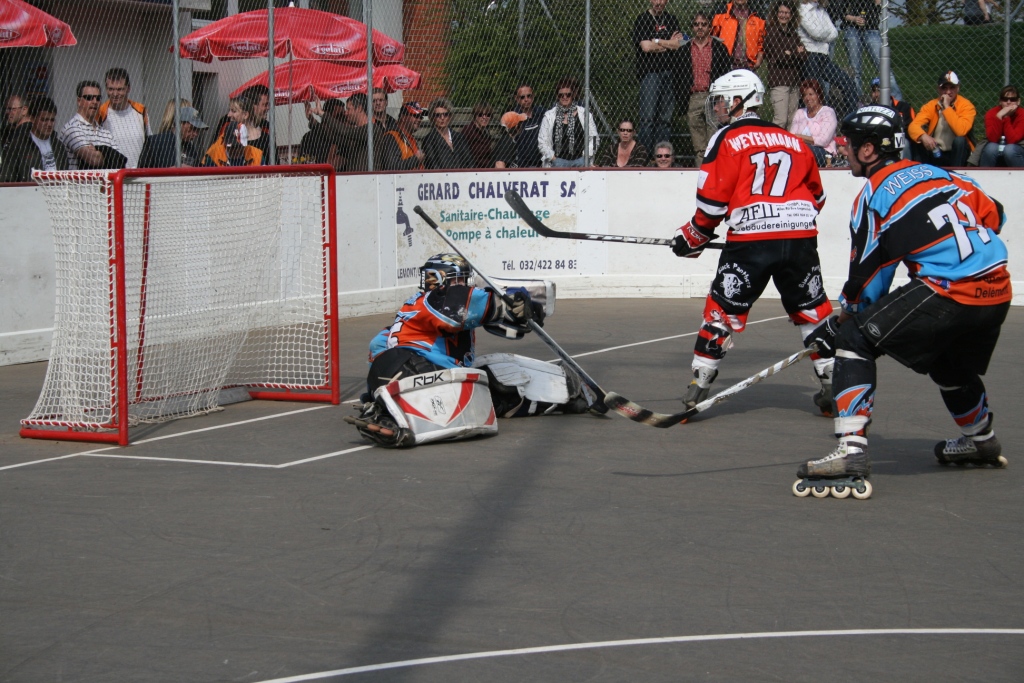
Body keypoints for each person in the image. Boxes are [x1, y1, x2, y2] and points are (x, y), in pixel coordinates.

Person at [795, 105, 1011, 496]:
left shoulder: (873, 195)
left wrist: (843, 322)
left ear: (868, 150)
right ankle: (981, 439)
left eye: (849, 143)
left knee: (854, 341)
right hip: (996, 289)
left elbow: (867, 282)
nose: (843, 149)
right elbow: (996, 215)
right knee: (947, 361)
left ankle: (851, 451)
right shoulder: (943, 174)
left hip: (949, 290)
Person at [669, 69, 834, 416]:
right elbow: (817, 197)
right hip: (800, 238)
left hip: (751, 243)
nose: (717, 108)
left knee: (721, 310)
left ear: (739, 100)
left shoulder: (726, 139)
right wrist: (786, 220)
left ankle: (698, 386)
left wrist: (692, 237)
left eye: (720, 101)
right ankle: (833, 385)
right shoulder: (792, 139)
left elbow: (712, 203)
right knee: (813, 309)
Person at [344, 254, 598, 447]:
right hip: (411, 373)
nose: (465, 285)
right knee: (419, 367)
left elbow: (509, 327)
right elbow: (461, 307)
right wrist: (504, 303)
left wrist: (526, 310)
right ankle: (388, 412)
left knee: (498, 374)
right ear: (442, 280)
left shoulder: (419, 315)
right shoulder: (430, 300)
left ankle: (567, 392)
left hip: (442, 378)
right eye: (460, 280)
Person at [676, 11, 732, 165]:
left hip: (713, 97)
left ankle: (715, 172)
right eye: (696, 24)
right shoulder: (684, 50)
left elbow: (726, 74)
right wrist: (683, 100)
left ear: (709, 27)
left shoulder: (719, 48)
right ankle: (701, 173)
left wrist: (723, 101)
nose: (700, 27)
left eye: (703, 24)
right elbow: (678, 77)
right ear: (692, 27)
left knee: (714, 141)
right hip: (693, 98)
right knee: (698, 145)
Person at [633, 0, 684, 153]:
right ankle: (645, 156)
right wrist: (668, 43)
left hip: (669, 72)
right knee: (647, 118)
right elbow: (646, 47)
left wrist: (656, 41)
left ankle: (661, 156)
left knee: (665, 119)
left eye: (662, 0)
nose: (658, 2)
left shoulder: (671, 19)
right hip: (650, 73)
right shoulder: (642, 19)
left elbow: (678, 44)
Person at [797, 0, 858, 119]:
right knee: (812, 91)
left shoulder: (821, 10)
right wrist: (825, 33)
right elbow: (816, 33)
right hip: (810, 56)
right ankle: (810, 121)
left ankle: (851, 120)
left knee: (848, 83)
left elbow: (834, 32)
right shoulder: (802, 9)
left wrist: (823, 34)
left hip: (823, 56)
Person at [907, 70, 976, 167]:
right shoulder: (931, 105)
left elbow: (961, 131)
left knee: (960, 141)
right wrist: (923, 136)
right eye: (944, 88)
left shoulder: (966, 106)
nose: (948, 92)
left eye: (952, 88)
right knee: (917, 139)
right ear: (938, 89)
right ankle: (921, 171)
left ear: (958, 88)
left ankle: (957, 172)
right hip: (936, 151)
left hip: (958, 153)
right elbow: (913, 126)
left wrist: (947, 107)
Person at [839, 0, 903, 101]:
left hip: (871, 28)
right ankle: (858, 102)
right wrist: (854, 18)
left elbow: (878, 6)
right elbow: (841, 12)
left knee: (884, 68)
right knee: (855, 70)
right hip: (852, 29)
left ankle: (897, 101)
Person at [58, 80, 126, 170]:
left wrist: (98, 151)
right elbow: (93, 160)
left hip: (106, 179)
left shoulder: (106, 133)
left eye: (98, 98)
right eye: (89, 98)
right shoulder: (72, 128)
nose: (94, 102)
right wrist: (108, 153)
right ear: (79, 101)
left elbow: (119, 161)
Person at [0, 96, 68, 182]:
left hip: (57, 189)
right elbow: (7, 179)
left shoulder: (59, 146)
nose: (49, 124)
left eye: (52, 120)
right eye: (44, 120)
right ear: (33, 119)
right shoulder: (18, 146)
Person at [763, 0, 806, 129]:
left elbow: (804, 55)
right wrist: (796, 53)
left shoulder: (793, 34)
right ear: (776, 14)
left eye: (787, 13)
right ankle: (775, 141)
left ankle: (788, 143)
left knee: (792, 121)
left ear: (791, 15)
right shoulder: (771, 33)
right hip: (779, 82)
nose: (784, 15)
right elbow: (779, 57)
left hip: (794, 82)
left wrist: (790, 54)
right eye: (781, 12)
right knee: (781, 120)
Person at [538, 78, 599, 167]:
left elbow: (594, 138)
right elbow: (542, 142)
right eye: (561, 95)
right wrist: (553, 158)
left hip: (581, 161)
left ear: (573, 95)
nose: (564, 97)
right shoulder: (549, 116)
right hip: (557, 162)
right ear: (557, 96)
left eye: (568, 94)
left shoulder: (585, 114)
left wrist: (586, 156)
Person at [97, 68, 151, 169]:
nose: (115, 94)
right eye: (111, 89)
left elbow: (149, 142)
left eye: (120, 89)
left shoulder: (140, 111)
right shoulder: (101, 113)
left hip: (138, 173)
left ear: (128, 88)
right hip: (113, 174)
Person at [200, 95, 263, 167]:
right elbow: (208, 158)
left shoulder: (264, 138)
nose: (228, 115)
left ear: (245, 114)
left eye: (233, 111)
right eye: (229, 110)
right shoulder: (225, 134)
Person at [138, 106, 208, 168]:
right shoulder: (154, 142)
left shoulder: (190, 147)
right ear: (179, 124)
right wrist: (170, 172)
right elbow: (142, 171)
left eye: (198, 130)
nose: (196, 134)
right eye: (192, 128)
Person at [789, 79, 838, 166]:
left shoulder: (828, 112)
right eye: (804, 95)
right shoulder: (800, 113)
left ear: (819, 95)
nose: (808, 98)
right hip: (800, 149)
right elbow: (791, 137)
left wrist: (799, 137)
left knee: (803, 150)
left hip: (824, 153)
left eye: (811, 94)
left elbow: (823, 141)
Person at [712, 0, 767, 72]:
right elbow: (712, 36)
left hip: (749, 66)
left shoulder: (757, 16)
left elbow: (762, 44)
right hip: (725, 64)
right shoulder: (722, 12)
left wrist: (758, 61)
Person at [421, 98, 473, 170]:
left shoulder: (459, 137)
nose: (442, 118)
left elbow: (469, 161)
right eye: (438, 115)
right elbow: (432, 164)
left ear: (450, 116)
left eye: (445, 114)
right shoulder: (429, 140)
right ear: (432, 117)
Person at [979, 85, 1023, 167]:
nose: (1008, 102)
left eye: (1013, 99)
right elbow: (992, 138)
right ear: (1000, 101)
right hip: (996, 146)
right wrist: (999, 117)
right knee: (991, 148)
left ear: (1018, 101)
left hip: (1017, 149)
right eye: (1005, 99)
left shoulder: (1022, 114)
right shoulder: (991, 113)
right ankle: (985, 175)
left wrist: (1006, 117)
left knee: (1009, 150)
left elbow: (1013, 140)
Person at [379, 101, 427, 171]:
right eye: (416, 116)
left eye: (420, 117)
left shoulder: (411, 138)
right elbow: (392, 167)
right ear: (403, 117)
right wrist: (415, 159)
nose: (419, 119)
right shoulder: (391, 136)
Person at [511, 83, 545, 168]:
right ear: (517, 99)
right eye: (522, 97)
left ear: (533, 96)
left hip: (541, 162)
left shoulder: (542, 113)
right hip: (521, 164)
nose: (526, 99)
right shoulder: (513, 117)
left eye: (529, 96)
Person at [461, 102, 495, 168]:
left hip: (487, 167)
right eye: (480, 114)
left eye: (488, 115)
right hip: (473, 168)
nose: (484, 117)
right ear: (475, 116)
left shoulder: (486, 132)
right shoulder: (468, 130)